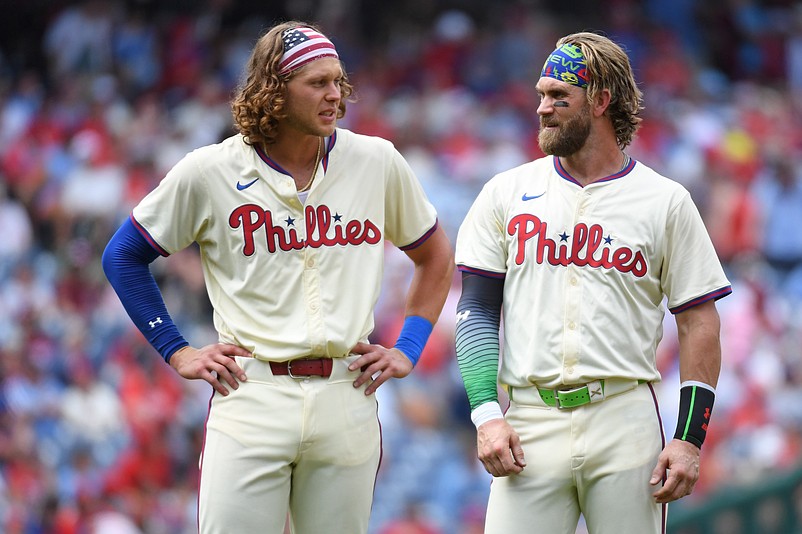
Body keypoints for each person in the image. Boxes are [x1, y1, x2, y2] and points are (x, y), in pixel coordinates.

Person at [102, 20, 454, 534]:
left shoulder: (375, 160)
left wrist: (409, 345)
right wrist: (176, 348)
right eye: (317, 83)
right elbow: (122, 256)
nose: (335, 95)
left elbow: (436, 256)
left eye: (338, 81)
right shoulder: (210, 171)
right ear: (274, 91)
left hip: (346, 392)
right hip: (252, 392)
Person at [454, 31, 732, 533]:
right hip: (530, 422)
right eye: (541, 95)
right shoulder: (506, 192)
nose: (543, 108)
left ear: (601, 101)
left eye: (559, 96)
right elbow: (476, 309)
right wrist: (486, 414)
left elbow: (698, 322)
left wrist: (689, 438)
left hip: (623, 416)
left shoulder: (664, 200)